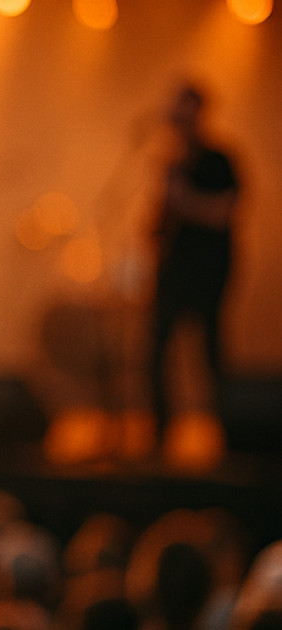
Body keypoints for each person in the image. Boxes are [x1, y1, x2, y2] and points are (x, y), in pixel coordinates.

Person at [147, 83, 239, 444]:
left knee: (209, 352)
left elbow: (224, 211)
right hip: (174, 270)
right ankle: (160, 435)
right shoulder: (171, 163)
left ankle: (224, 435)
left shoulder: (220, 160)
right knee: (157, 350)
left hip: (209, 269)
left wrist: (187, 203)